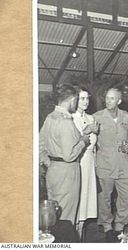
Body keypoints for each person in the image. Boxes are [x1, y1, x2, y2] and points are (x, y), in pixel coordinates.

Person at [39, 84, 97, 225]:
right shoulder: (65, 121)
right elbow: (69, 155)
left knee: (53, 217)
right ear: (72, 100)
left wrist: (49, 162)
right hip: (67, 172)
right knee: (66, 219)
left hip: (53, 170)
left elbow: (40, 144)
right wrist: (83, 141)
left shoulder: (50, 117)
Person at [93, 88, 128, 242]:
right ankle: (107, 227)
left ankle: (120, 225)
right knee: (104, 198)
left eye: (112, 98)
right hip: (105, 163)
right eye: (107, 98)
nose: (108, 101)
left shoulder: (125, 116)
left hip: (123, 162)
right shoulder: (97, 117)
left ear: (119, 101)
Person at [72, 87, 98, 237]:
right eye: (82, 98)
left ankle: (81, 232)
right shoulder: (70, 117)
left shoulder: (91, 118)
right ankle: (74, 235)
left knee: (87, 201)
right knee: (79, 200)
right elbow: (72, 142)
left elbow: (94, 143)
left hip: (89, 162)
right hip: (78, 162)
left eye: (87, 98)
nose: (86, 101)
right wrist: (86, 131)